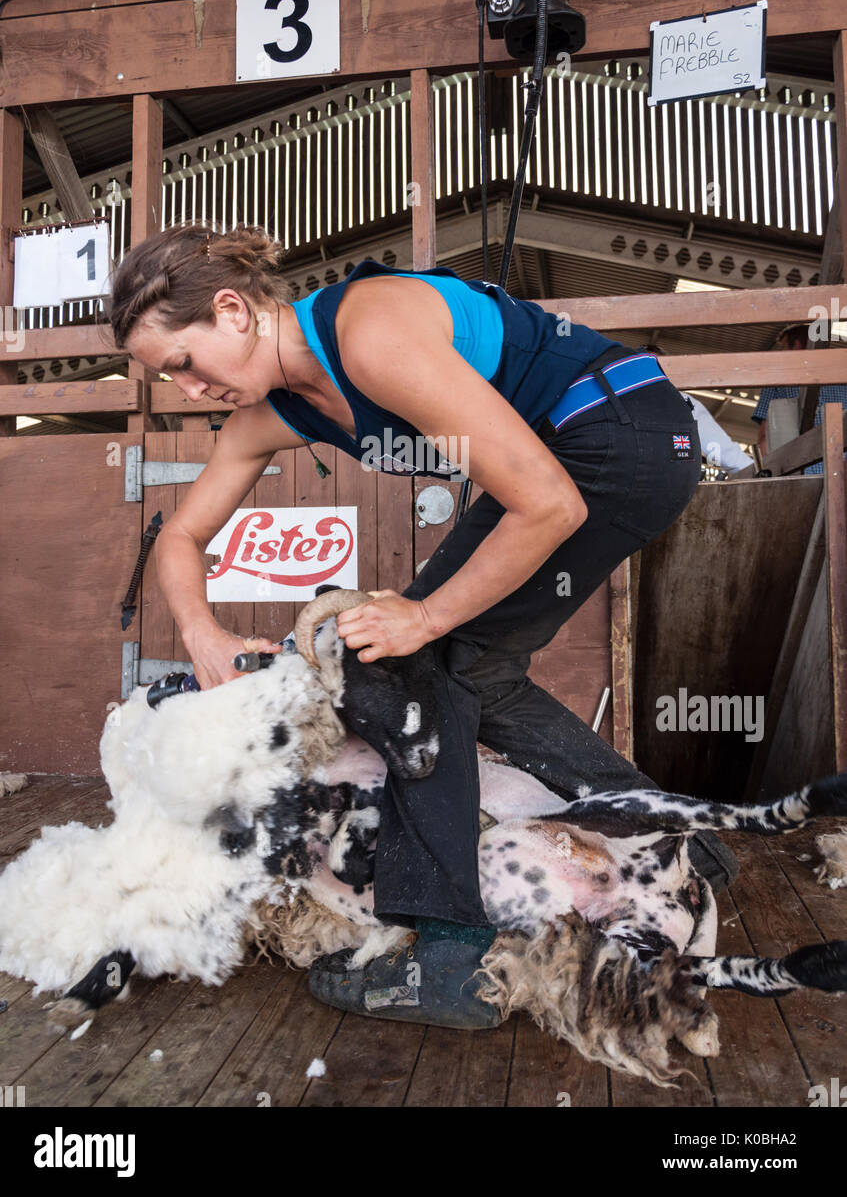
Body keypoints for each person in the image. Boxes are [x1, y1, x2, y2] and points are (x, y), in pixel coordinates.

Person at [110, 221, 738, 1029]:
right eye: (169, 378)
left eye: (184, 363)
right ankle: (675, 833)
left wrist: (426, 615)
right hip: (605, 445)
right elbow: (184, 535)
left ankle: (447, 957)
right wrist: (202, 634)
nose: (188, 389)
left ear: (233, 311)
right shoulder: (276, 412)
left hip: (611, 433)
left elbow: (548, 504)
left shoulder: (369, 334)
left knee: (409, 663)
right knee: (476, 671)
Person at [752, 322, 847, 476]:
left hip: (799, 475)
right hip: (840, 472)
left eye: (783, 348)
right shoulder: (842, 377)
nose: (781, 353)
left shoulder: (777, 379)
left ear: (796, 345)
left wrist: (768, 473)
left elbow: (765, 436)